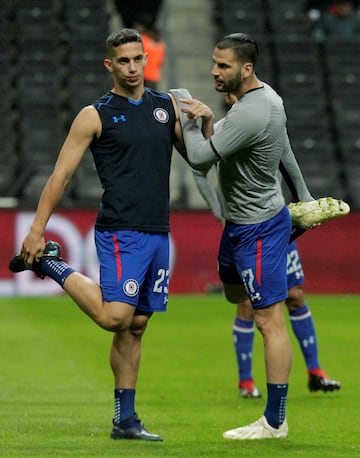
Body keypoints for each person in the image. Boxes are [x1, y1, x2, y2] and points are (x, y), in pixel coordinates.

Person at [9, 28, 188, 441]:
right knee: (115, 317)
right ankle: (50, 261)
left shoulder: (167, 108)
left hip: (159, 231)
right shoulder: (96, 114)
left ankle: (125, 421)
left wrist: (208, 121)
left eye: (137, 59)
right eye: (122, 61)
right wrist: (36, 231)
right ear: (110, 65)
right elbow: (62, 174)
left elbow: (201, 161)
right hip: (121, 230)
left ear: (147, 59)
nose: (131, 67)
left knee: (137, 324)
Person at [170, 32, 347, 440]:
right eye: (214, 63)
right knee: (236, 297)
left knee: (269, 319)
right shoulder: (262, 101)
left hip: (259, 228)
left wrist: (184, 120)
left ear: (246, 69)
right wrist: (304, 197)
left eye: (223, 66)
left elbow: (198, 158)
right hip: (238, 226)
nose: (214, 71)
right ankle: (291, 231)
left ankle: (275, 421)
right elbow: (284, 151)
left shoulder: (253, 111)